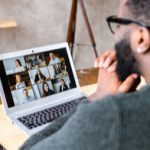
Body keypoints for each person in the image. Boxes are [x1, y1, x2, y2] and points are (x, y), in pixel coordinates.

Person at [20, 0, 150, 150]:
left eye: (119, 24)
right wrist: (133, 57)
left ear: (141, 38)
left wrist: (98, 96)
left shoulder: (113, 116)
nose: (116, 34)